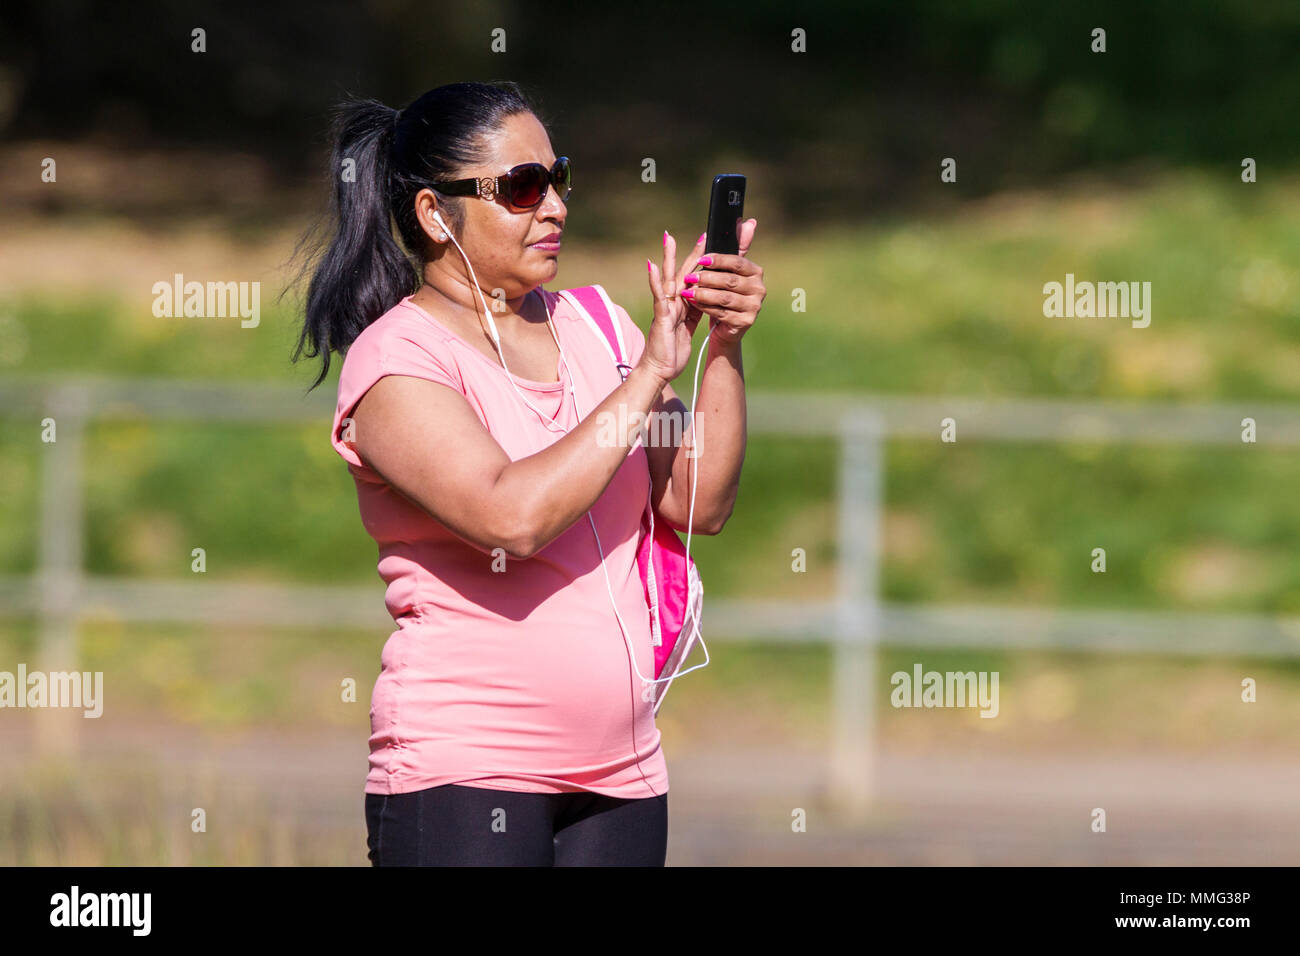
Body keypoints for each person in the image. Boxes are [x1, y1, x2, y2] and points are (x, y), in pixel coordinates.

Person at [290, 80, 764, 865]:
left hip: (623, 776)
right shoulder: (396, 361)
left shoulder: (601, 325)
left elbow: (697, 503)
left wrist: (724, 344)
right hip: (463, 773)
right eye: (521, 187)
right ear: (436, 215)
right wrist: (646, 376)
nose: (555, 206)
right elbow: (511, 515)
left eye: (558, 177)